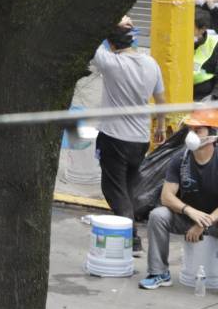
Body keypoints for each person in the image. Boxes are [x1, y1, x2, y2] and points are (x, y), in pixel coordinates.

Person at [93, 16, 166, 255]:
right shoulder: (151, 63)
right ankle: (131, 233)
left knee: (113, 189)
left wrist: (110, 22)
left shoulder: (110, 63)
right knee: (129, 186)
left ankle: (131, 239)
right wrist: (160, 127)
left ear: (111, 44)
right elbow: (161, 100)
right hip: (140, 139)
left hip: (114, 138)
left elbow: (90, 35)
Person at [139, 109, 218, 289]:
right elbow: (166, 197)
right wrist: (189, 211)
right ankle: (159, 273)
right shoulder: (180, 160)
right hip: (189, 218)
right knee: (158, 215)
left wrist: (203, 223)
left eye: (198, 131)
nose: (191, 135)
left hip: (214, 219)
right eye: (190, 130)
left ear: (213, 135)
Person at [194, 8, 218, 101]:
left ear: (203, 29)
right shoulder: (177, 40)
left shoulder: (214, 44)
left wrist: (214, 96)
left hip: (202, 99)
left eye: (192, 28)